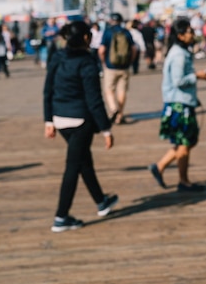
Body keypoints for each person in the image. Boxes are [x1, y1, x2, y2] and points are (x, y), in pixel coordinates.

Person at [43, 21, 119, 232]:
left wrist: (48, 121)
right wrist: (106, 129)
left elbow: (47, 90)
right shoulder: (87, 62)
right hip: (80, 121)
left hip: (60, 119)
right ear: (86, 38)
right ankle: (61, 216)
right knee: (73, 166)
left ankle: (101, 201)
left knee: (83, 160)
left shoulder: (57, 57)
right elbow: (94, 100)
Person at [148, 19, 206, 192]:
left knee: (186, 141)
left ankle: (160, 166)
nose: (192, 34)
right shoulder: (179, 55)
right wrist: (196, 75)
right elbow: (178, 81)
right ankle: (183, 181)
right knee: (184, 143)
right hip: (179, 105)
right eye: (189, 31)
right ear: (180, 35)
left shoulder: (180, 52)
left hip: (181, 102)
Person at [98, 13, 136, 124]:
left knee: (109, 90)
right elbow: (134, 49)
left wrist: (103, 62)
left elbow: (101, 50)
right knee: (122, 90)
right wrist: (130, 61)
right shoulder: (126, 32)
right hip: (124, 66)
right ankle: (120, 115)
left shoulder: (107, 32)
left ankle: (113, 109)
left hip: (110, 66)